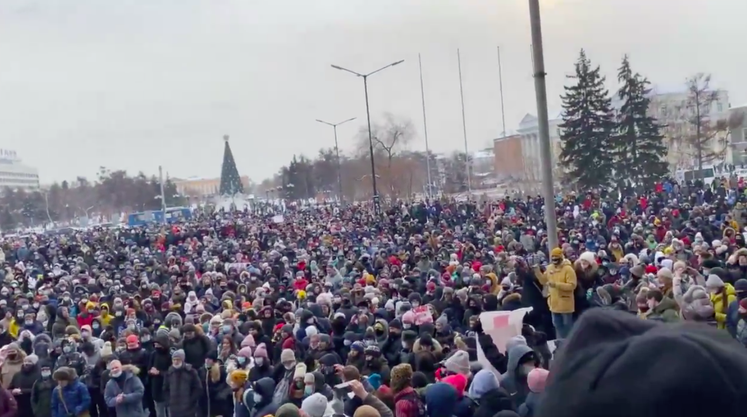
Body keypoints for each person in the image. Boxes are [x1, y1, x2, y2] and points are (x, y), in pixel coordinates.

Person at [534, 248, 577, 339]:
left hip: (565, 304)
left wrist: (556, 285)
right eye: (553, 259)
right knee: (557, 325)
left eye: (556, 259)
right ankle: (562, 343)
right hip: (554, 303)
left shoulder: (568, 269)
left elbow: (572, 285)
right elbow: (543, 281)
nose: (555, 261)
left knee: (567, 327)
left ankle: (570, 343)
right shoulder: (550, 268)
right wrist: (537, 271)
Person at [163, 349, 202, 417]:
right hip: (174, 408)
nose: (175, 362)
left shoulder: (191, 372)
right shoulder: (169, 372)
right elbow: (165, 388)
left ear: (182, 360)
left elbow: (198, 388)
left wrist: (191, 400)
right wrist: (168, 401)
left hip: (188, 408)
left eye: (178, 359)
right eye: (174, 360)